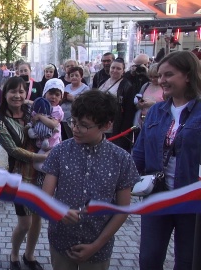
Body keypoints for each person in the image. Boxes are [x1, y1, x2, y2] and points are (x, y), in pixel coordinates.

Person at [42, 90, 139, 270]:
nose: (76, 129)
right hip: (61, 241)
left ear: (106, 125)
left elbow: (123, 209)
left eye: (84, 125)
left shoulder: (121, 158)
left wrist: (96, 246)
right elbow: (45, 197)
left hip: (98, 246)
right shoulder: (60, 152)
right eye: (74, 122)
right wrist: (57, 211)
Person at [132, 51, 201, 270]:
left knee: (188, 262)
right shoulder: (156, 112)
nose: (161, 80)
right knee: (149, 260)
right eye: (160, 75)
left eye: (168, 75)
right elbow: (140, 152)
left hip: (192, 200)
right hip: (157, 195)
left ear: (188, 75)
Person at [0, 76, 49, 270]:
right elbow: (12, 150)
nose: (17, 96)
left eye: (21, 91)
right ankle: (15, 254)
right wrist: (41, 157)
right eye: (13, 91)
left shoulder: (32, 111)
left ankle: (29, 255)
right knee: (25, 222)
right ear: (5, 94)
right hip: (20, 176)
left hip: (41, 175)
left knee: (38, 218)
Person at [98, 58, 136, 152]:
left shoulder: (127, 86)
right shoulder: (103, 81)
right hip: (99, 122)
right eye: (113, 67)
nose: (115, 70)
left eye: (118, 68)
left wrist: (124, 130)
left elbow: (129, 110)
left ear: (123, 71)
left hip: (115, 125)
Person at [60, 66, 90, 140]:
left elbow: (87, 103)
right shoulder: (66, 86)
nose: (74, 77)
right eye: (72, 75)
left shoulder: (86, 88)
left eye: (76, 75)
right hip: (63, 117)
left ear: (81, 77)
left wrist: (73, 98)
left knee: (73, 138)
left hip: (75, 119)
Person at [134, 63, 164, 128]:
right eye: (150, 77)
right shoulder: (146, 85)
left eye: (155, 77)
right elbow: (137, 101)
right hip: (143, 120)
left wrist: (153, 103)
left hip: (159, 121)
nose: (152, 79)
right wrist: (139, 104)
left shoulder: (165, 87)